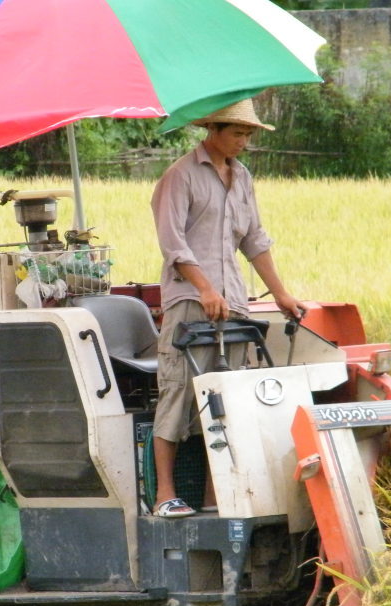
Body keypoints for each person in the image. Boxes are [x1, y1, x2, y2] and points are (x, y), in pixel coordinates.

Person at [150, 98, 303, 518]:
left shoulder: (243, 177)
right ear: (212, 130)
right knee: (179, 393)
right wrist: (204, 288)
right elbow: (173, 244)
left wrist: (281, 294)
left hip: (232, 302)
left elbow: (254, 240)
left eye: (248, 135)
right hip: (189, 302)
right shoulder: (179, 177)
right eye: (237, 134)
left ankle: (217, 495)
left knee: (227, 398)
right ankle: (165, 493)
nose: (244, 142)